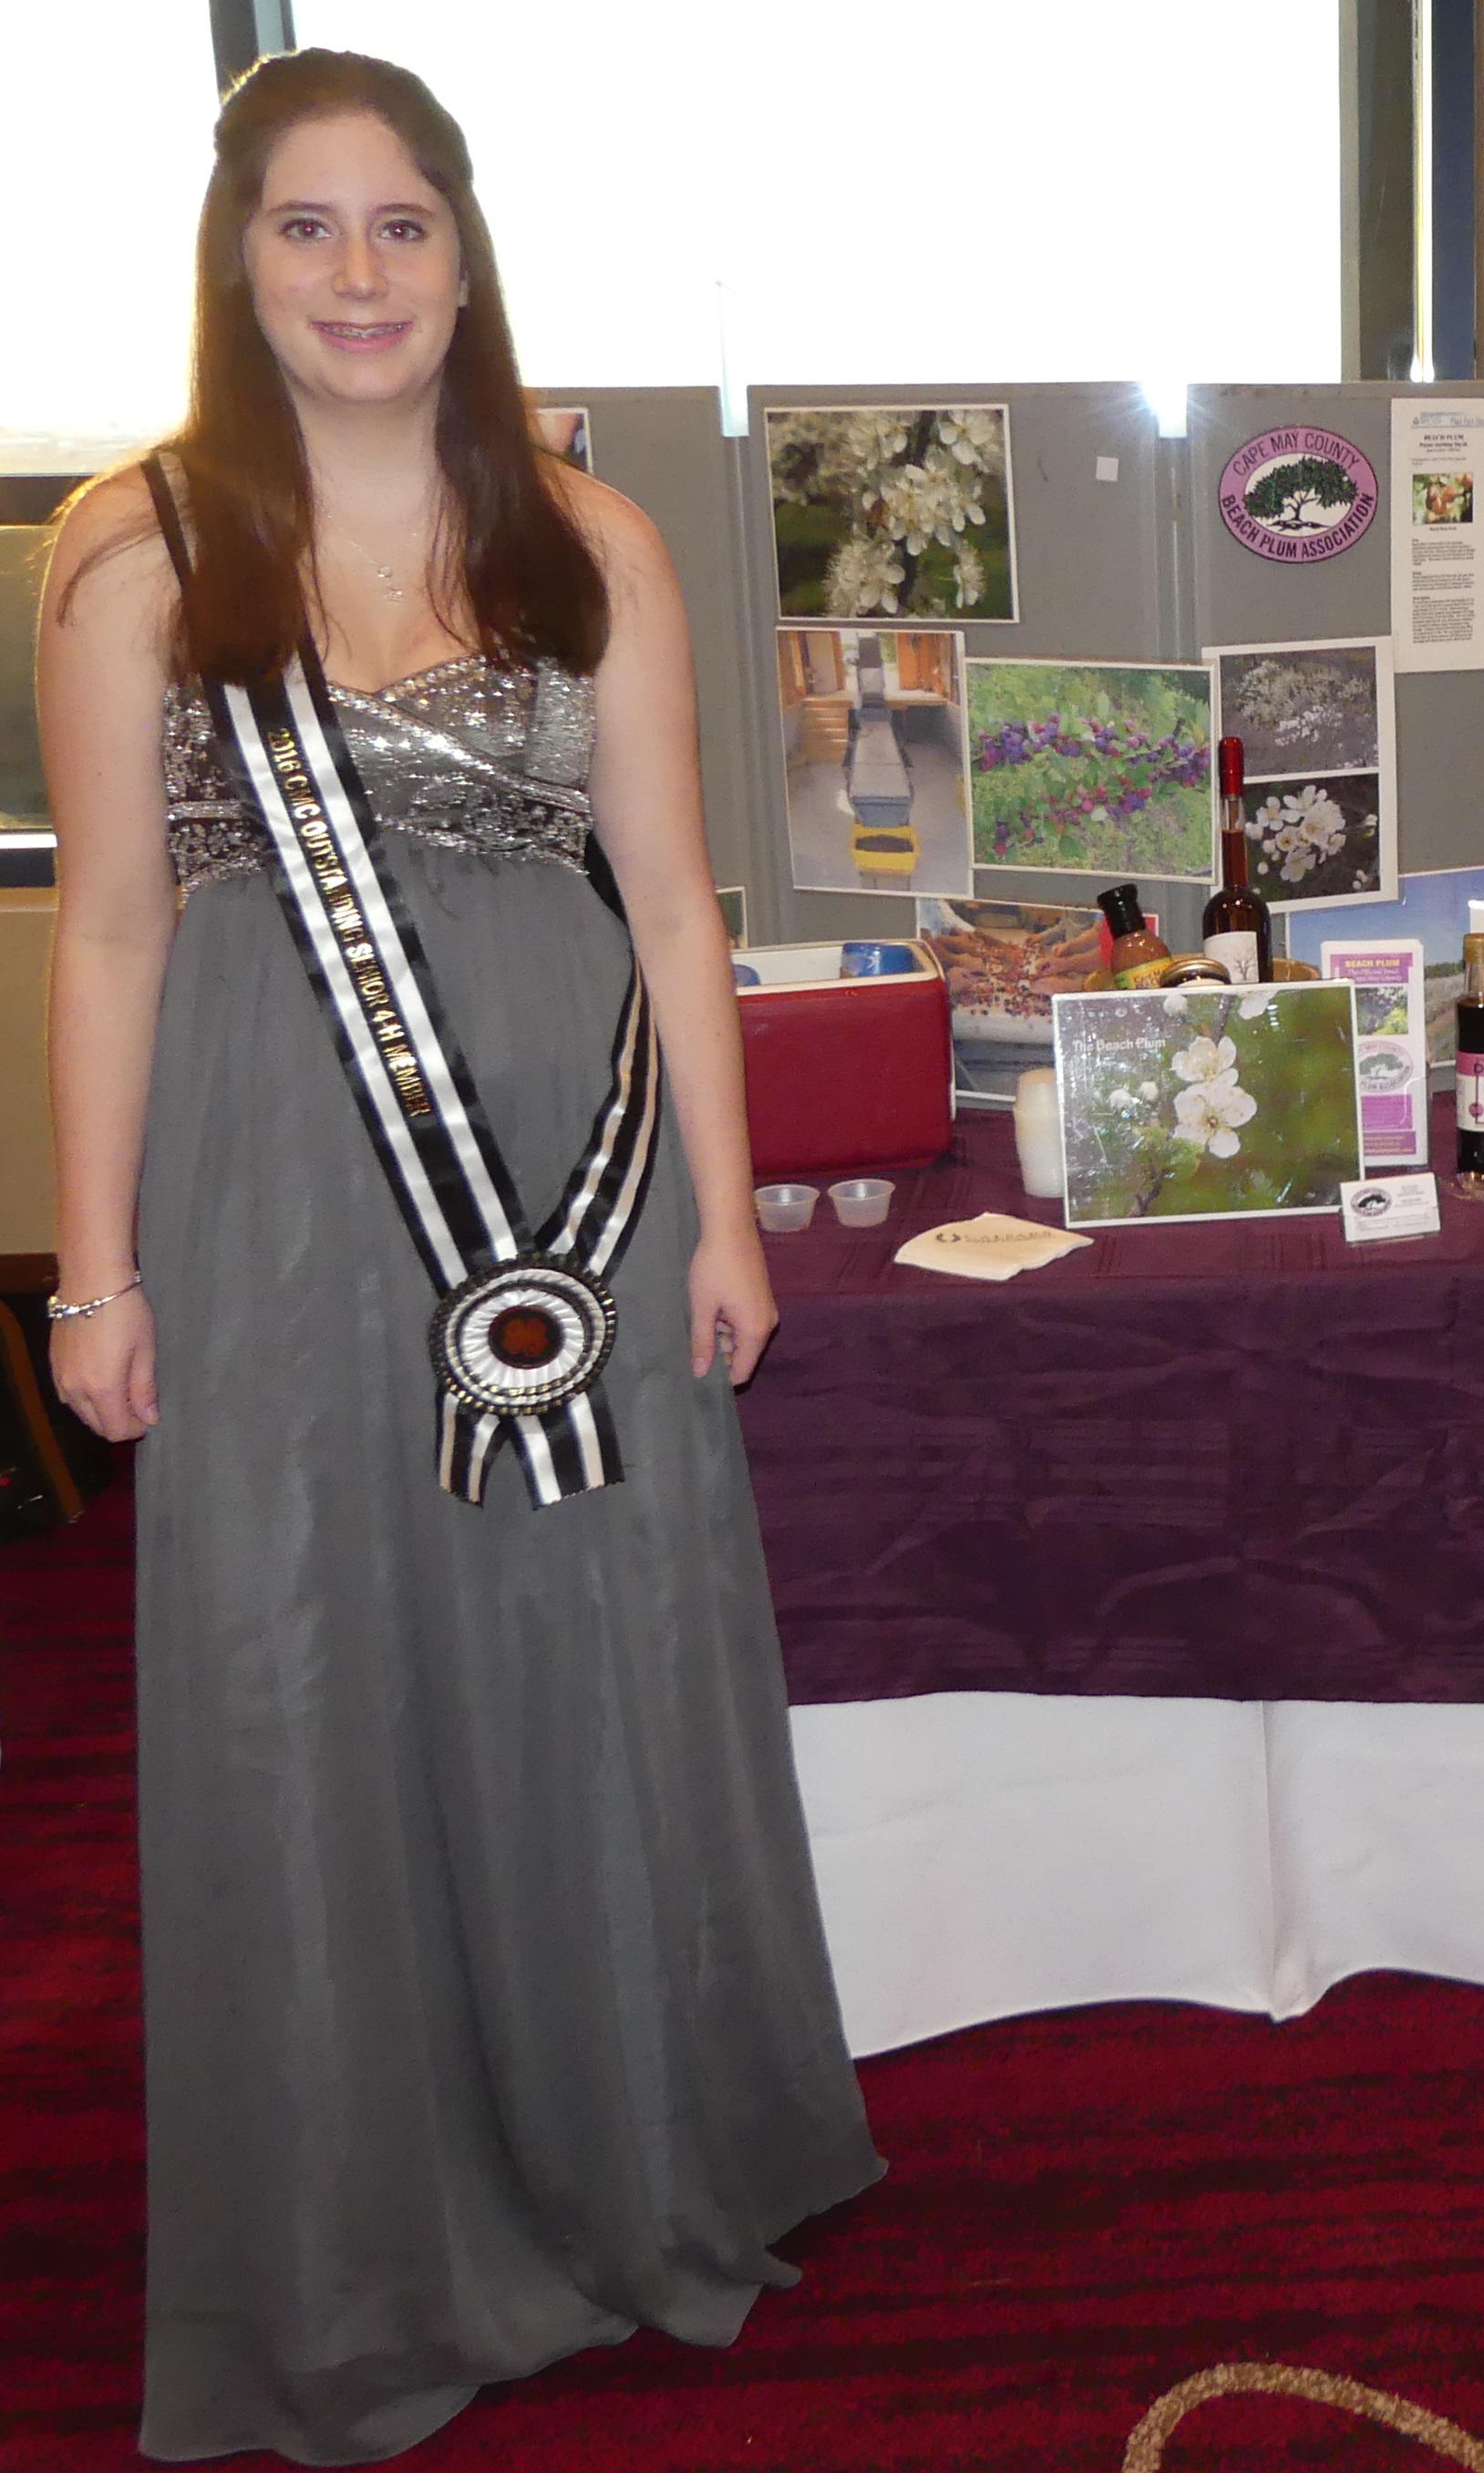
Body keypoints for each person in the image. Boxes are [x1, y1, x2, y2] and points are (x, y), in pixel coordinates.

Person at [40, 51, 881, 2464]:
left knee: (579, 1640)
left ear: (465, 250)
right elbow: (110, 927)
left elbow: (683, 897)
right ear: (235, 260)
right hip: (276, 1187)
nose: (360, 274)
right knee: (313, 1662)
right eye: (307, 228)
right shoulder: (131, 545)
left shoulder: (587, 535)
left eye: (403, 224)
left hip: (579, 1186)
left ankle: (640, 2160)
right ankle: (359, 2232)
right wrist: (93, 1270)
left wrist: (723, 1209)